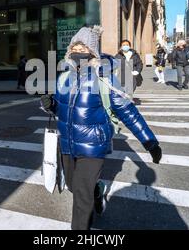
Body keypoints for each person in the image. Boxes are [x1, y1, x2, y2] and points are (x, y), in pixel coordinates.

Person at [40, 26, 162, 230]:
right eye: (75, 47)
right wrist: (50, 104)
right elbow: (61, 110)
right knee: (72, 185)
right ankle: (97, 191)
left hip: (93, 144)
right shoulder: (64, 77)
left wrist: (150, 143)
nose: (78, 51)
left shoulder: (104, 77)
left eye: (83, 47)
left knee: (81, 193)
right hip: (68, 143)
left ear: (93, 51)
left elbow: (128, 112)